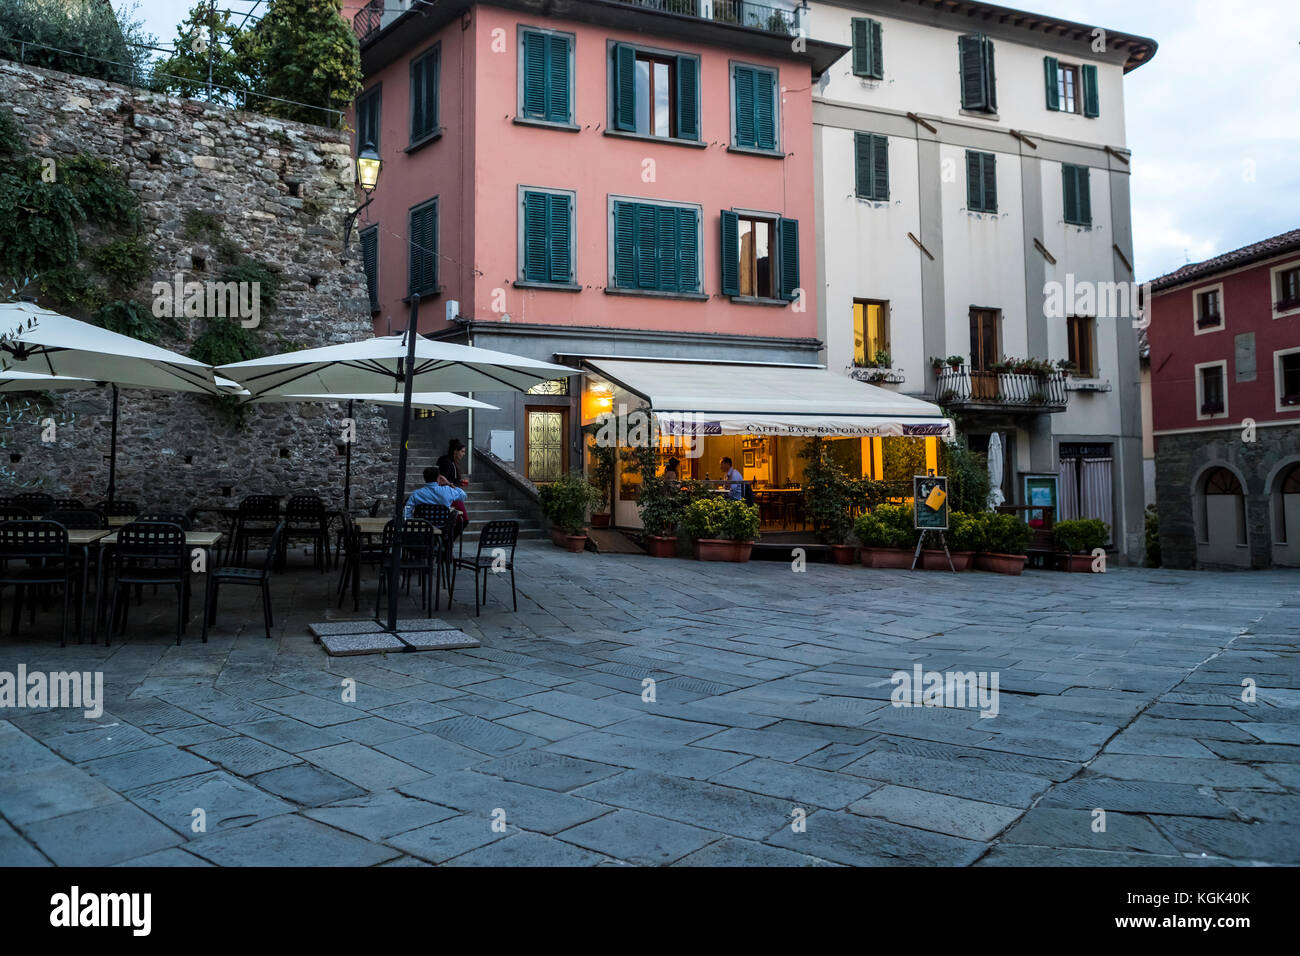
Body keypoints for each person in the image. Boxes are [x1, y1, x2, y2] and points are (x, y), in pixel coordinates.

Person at [404, 466, 469, 529]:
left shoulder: (416, 494)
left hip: (422, 527)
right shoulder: (448, 490)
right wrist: (449, 483)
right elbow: (463, 496)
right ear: (438, 478)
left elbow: (407, 510)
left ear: (424, 478)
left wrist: (412, 523)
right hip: (442, 526)